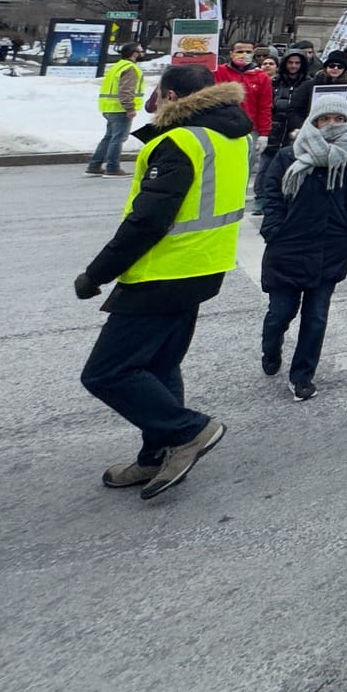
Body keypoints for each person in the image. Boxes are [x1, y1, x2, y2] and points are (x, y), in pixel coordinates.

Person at [75, 65, 251, 500]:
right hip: (205, 266)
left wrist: (97, 273)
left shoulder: (181, 140)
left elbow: (147, 221)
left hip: (164, 271)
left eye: (157, 93)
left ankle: (189, 430)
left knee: (106, 373)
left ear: (170, 95)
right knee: (158, 365)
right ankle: (156, 455)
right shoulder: (232, 134)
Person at [256, 88, 347, 401]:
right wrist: (275, 229)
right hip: (288, 248)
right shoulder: (288, 155)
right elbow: (273, 195)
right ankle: (271, 346)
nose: (331, 124)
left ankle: (302, 375)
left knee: (316, 317)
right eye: (324, 119)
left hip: (330, 246)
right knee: (281, 313)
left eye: (338, 118)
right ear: (313, 121)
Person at [214, 40, 274, 195]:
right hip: (222, 128)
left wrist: (264, 134)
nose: (244, 55)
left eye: (248, 52)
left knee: (244, 166)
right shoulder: (219, 72)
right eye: (240, 51)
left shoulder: (262, 77)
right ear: (231, 54)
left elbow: (265, 107)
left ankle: (237, 196)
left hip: (249, 130)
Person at [87, 42, 147, 178]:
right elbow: (126, 90)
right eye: (140, 50)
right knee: (118, 138)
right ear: (134, 53)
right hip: (120, 109)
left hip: (109, 107)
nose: (143, 53)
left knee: (109, 137)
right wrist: (130, 108)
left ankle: (94, 166)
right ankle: (112, 168)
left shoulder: (118, 66)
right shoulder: (130, 68)